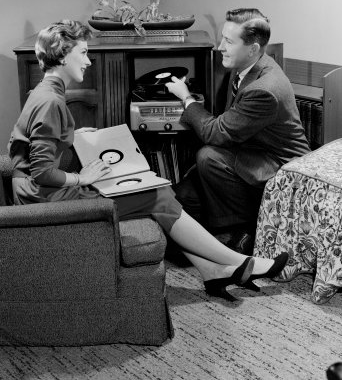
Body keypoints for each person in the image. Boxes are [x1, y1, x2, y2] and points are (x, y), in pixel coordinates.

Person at [8, 19, 289, 299]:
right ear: (62, 55)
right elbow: (43, 171)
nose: (89, 61)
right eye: (82, 53)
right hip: (44, 198)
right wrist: (83, 177)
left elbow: (35, 141)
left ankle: (213, 272)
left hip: (42, 192)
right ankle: (236, 262)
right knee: (158, 195)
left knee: (160, 194)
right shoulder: (51, 102)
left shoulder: (45, 92)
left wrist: (71, 135)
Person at [166, 8, 310, 255]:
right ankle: (229, 232)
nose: (220, 46)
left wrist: (186, 98)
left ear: (252, 48)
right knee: (181, 198)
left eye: (229, 42)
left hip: (279, 167)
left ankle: (247, 228)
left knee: (207, 157)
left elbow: (216, 133)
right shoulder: (246, 64)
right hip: (248, 153)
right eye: (223, 38)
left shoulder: (264, 89)